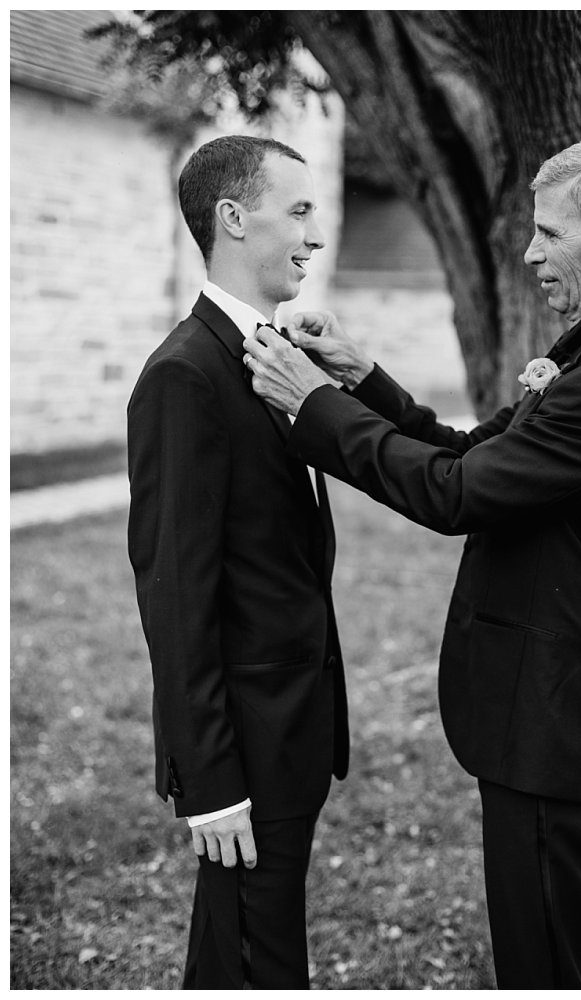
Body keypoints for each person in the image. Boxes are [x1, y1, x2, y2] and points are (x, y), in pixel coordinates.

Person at [242, 130, 581, 988]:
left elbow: (450, 497)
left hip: (556, 725)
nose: (529, 252)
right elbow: (466, 455)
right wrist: (359, 374)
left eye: (551, 234)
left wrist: (312, 408)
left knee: (550, 967)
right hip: (544, 716)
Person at [126, 134, 347, 988]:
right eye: (297, 211)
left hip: (295, 725)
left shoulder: (272, 355)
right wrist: (210, 780)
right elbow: (175, 594)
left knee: (241, 948)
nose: (315, 235)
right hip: (246, 746)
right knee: (258, 958)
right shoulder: (185, 376)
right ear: (231, 218)